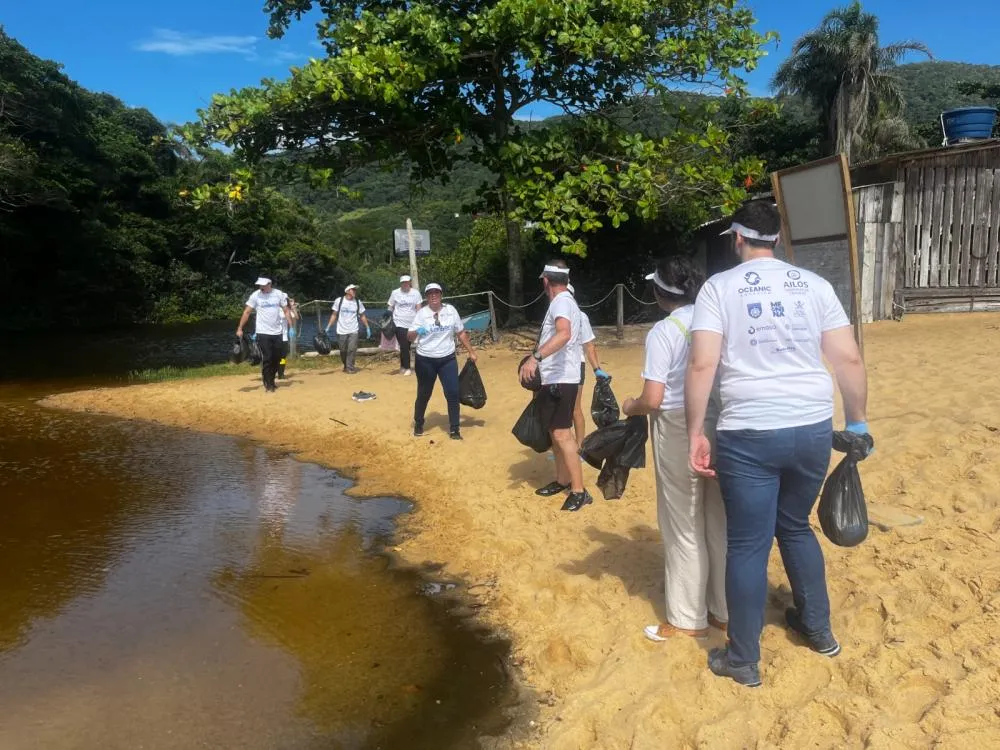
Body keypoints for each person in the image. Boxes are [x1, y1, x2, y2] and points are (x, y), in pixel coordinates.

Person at [684, 199, 872, 688]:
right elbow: (847, 360)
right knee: (795, 527)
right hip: (810, 424)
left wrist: (694, 433)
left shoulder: (718, 288)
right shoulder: (814, 285)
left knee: (747, 544)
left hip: (749, 429)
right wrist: (856, 424)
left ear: (737, 238)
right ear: (778, 239)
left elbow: (703, 365)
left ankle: (743, 660)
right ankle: (818, 630)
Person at [620, 257, 727, 643]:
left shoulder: (663, 332)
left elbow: (654, 396)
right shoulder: (717, 319)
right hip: (720, 421)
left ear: (661, 293)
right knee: (718, 520)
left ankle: (686, 616)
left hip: (679, 425)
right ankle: (723, 611)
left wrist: (630, 405)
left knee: (683, 523)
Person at [519, 260, 592, 512]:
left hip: (562, 379)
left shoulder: (561, 302)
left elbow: (564, 333)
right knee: (554, 432)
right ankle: (562, 480)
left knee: (562, 433)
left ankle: (579, 490)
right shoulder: (564, 302)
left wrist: (535, 357)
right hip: (556, 378)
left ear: (546, 281)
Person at [408, 283, 478, 440]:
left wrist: (471, 351)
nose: (433, 295)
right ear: (426, 297)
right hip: (425, 360)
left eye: (436, 293)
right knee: (424, 393)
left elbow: (460, 332)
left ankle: (454, 429)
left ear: (441, 295)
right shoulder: (421, 314)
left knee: (453, 392)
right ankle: (419, 422)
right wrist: (417, 331)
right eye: (430, 293)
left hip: (447, 359)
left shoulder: (450, 310)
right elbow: (409, 337)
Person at [236, 277, 295, 393]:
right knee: (267, 357)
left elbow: (286, 311)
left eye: (263, 285)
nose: (261, 287)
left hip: (277, 332)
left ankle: (271, 380)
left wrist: (291, 327)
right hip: (263, 332)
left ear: (269, 284)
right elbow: (247, 312)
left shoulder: (279, 294)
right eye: (259, 285)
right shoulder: (255, 295)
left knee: (277, 357)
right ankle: (268, 384)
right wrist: (240, 328)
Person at [568, 283, 610, 446]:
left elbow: (589, 344)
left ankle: (580, 447)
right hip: (558, 368)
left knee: (574, 408)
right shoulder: (554, 315)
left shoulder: (580, 317)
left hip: (576, 365)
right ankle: (566, 446)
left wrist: (596, 369)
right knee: (561, 411)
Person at [326, 284, 371, 374]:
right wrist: (328, 327)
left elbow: (362, 315)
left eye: (355, 290)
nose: (354, 291)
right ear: (347, 291)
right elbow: (334, 314)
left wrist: (367, 327)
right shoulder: (339, 301)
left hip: (353, 329)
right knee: (343, 350)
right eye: (353, 290)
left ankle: (350, 367)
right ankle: (346, 365)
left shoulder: (358, 302)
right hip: (341, 330)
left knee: (352, 349)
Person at [388, 275, 423, 375]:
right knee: (403, 346)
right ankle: (407, 367)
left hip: (412, 323)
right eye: (403, 282)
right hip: (398, 322)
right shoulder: (395, 293)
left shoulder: (415, 293)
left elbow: (418, 307)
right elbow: (391, 306)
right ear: (401, 283)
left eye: (407, 282)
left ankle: (403, 366)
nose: (405, 284)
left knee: (407, 345)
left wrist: (420, 320)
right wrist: (387, 316)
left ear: (410, 282)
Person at [277, 296, 299, 380]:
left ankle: (281, 373)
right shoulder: (276, 309)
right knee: (274, 356)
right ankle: (272, 372)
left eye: (286, 300)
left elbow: (296, 317)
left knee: (283, 357)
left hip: (284, 337)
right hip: (274, 336)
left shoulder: (288, 310)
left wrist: (293, 307)